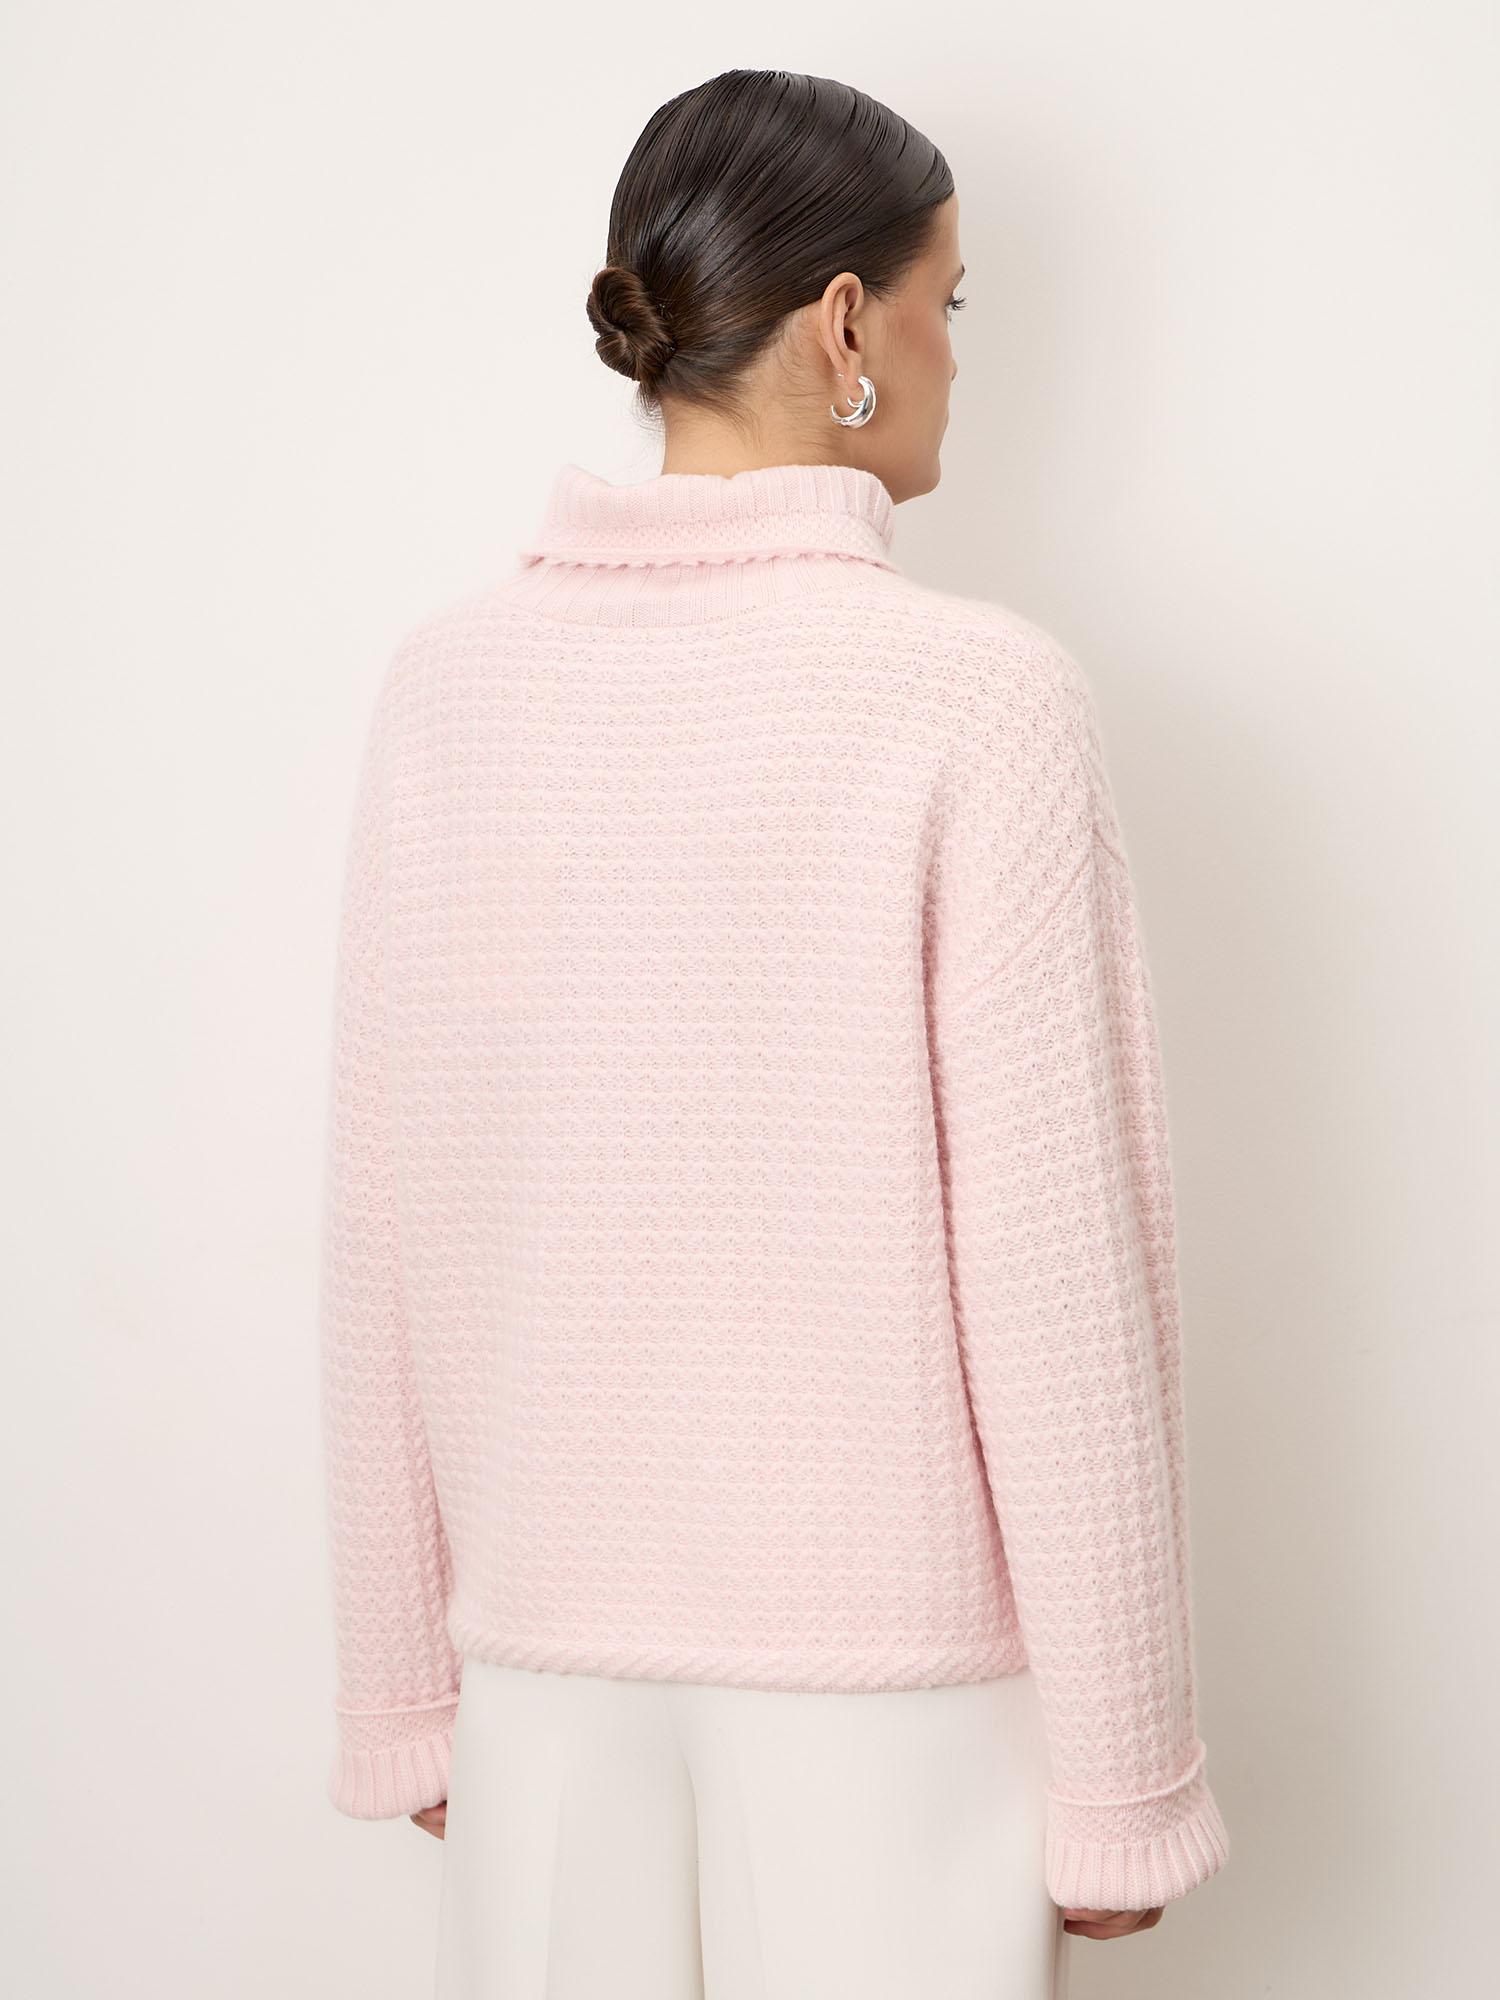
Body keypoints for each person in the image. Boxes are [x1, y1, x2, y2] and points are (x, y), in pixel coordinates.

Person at [317, 66, 1230, 2000]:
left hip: (537, 1672)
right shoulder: (978, 700)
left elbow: (383, 1220)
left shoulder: (448, 686)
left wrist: (406, 1689)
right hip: (895, 1698)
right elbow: (1060, 1279)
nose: (958, 352)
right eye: (949, 302)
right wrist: (1127, 1773)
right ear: (844, 325)